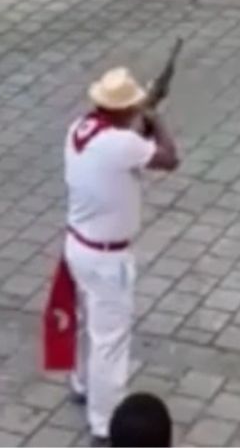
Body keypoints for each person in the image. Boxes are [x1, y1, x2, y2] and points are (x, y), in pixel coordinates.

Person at [63, 67, 179, 444]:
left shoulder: (80, 129)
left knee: (87, 324)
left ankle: (82, 380)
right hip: (107, 257)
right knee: (110, 340)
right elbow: (168, 158)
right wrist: (155, 115)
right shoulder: (119, 143)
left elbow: (126, 150)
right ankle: (104, 418)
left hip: (78, 244)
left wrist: (139, 120)